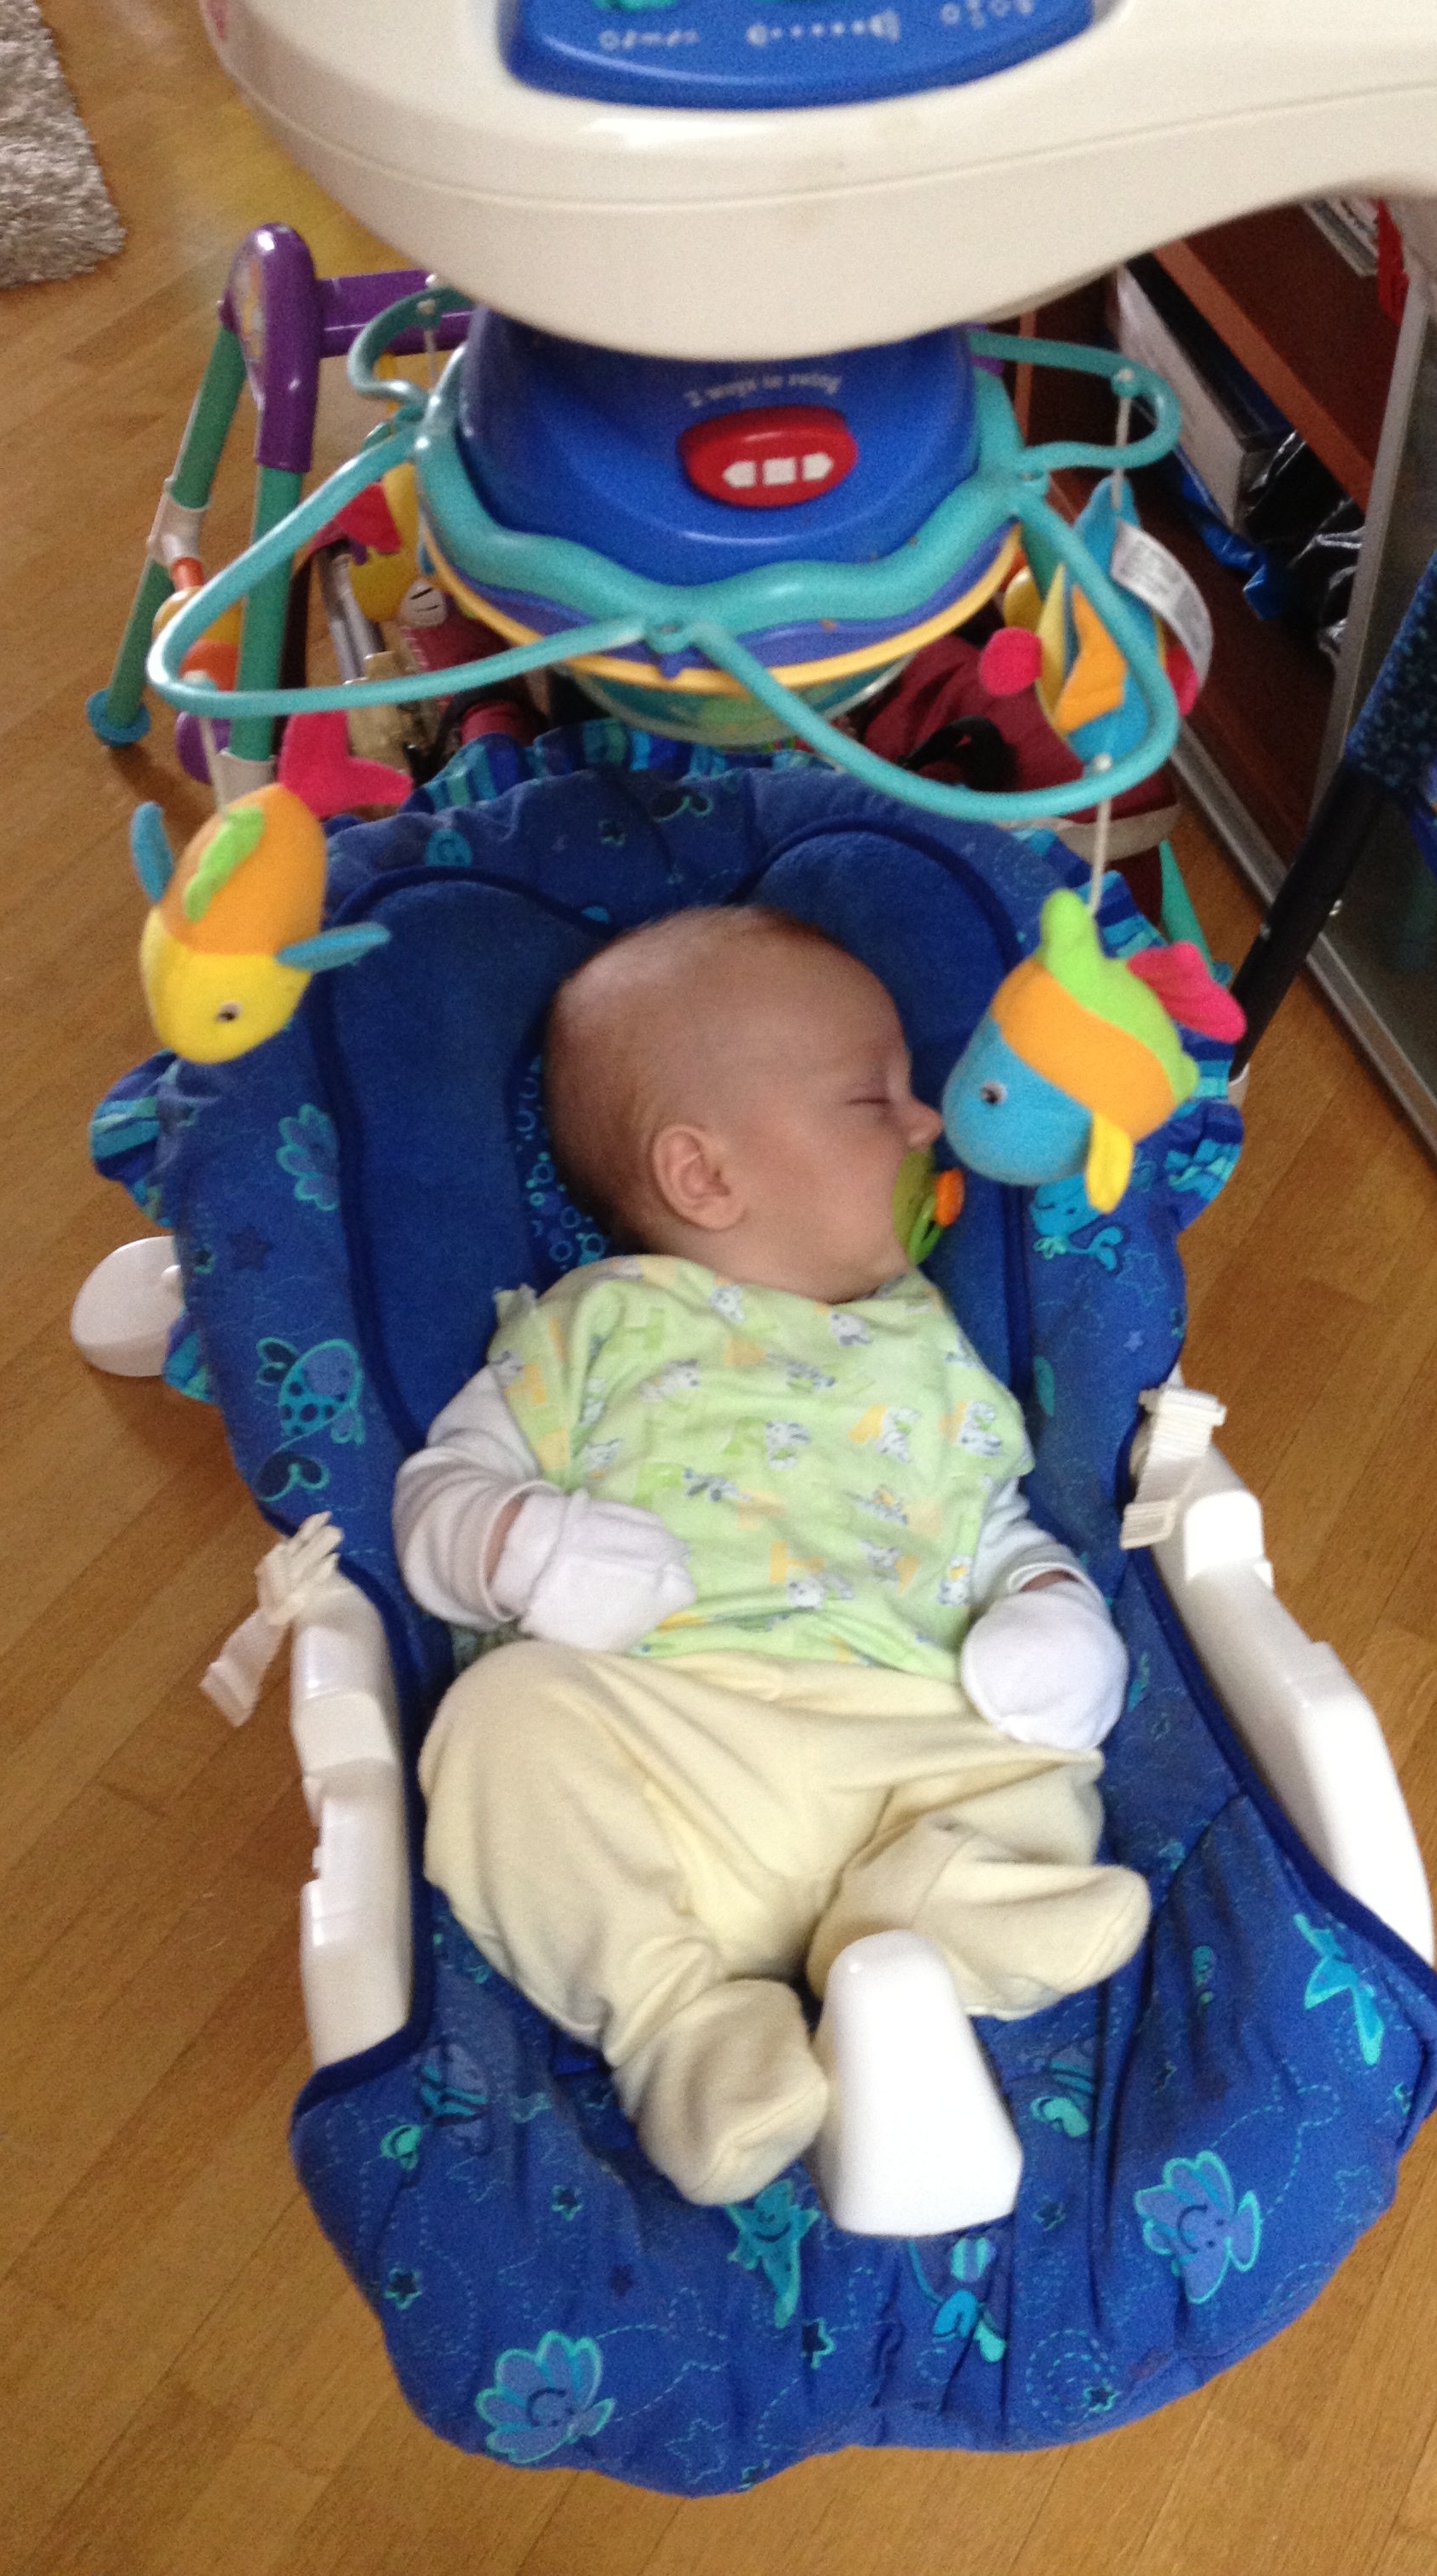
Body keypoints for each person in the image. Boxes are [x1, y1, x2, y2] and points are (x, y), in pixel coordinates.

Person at [395, 904, 1150, 2208]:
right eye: (875, 1099)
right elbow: (439, 1501)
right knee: (501, 1721)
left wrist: (1048, 1608)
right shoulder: (593, 1329)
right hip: (675, 1757)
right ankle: (682, 2028)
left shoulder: (930, 1346)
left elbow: (990, 1526)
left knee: (1042, 1755)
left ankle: (933, 1915)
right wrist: (529, 1548)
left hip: (901, 1754)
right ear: (704, 1177)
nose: (928, 1123)